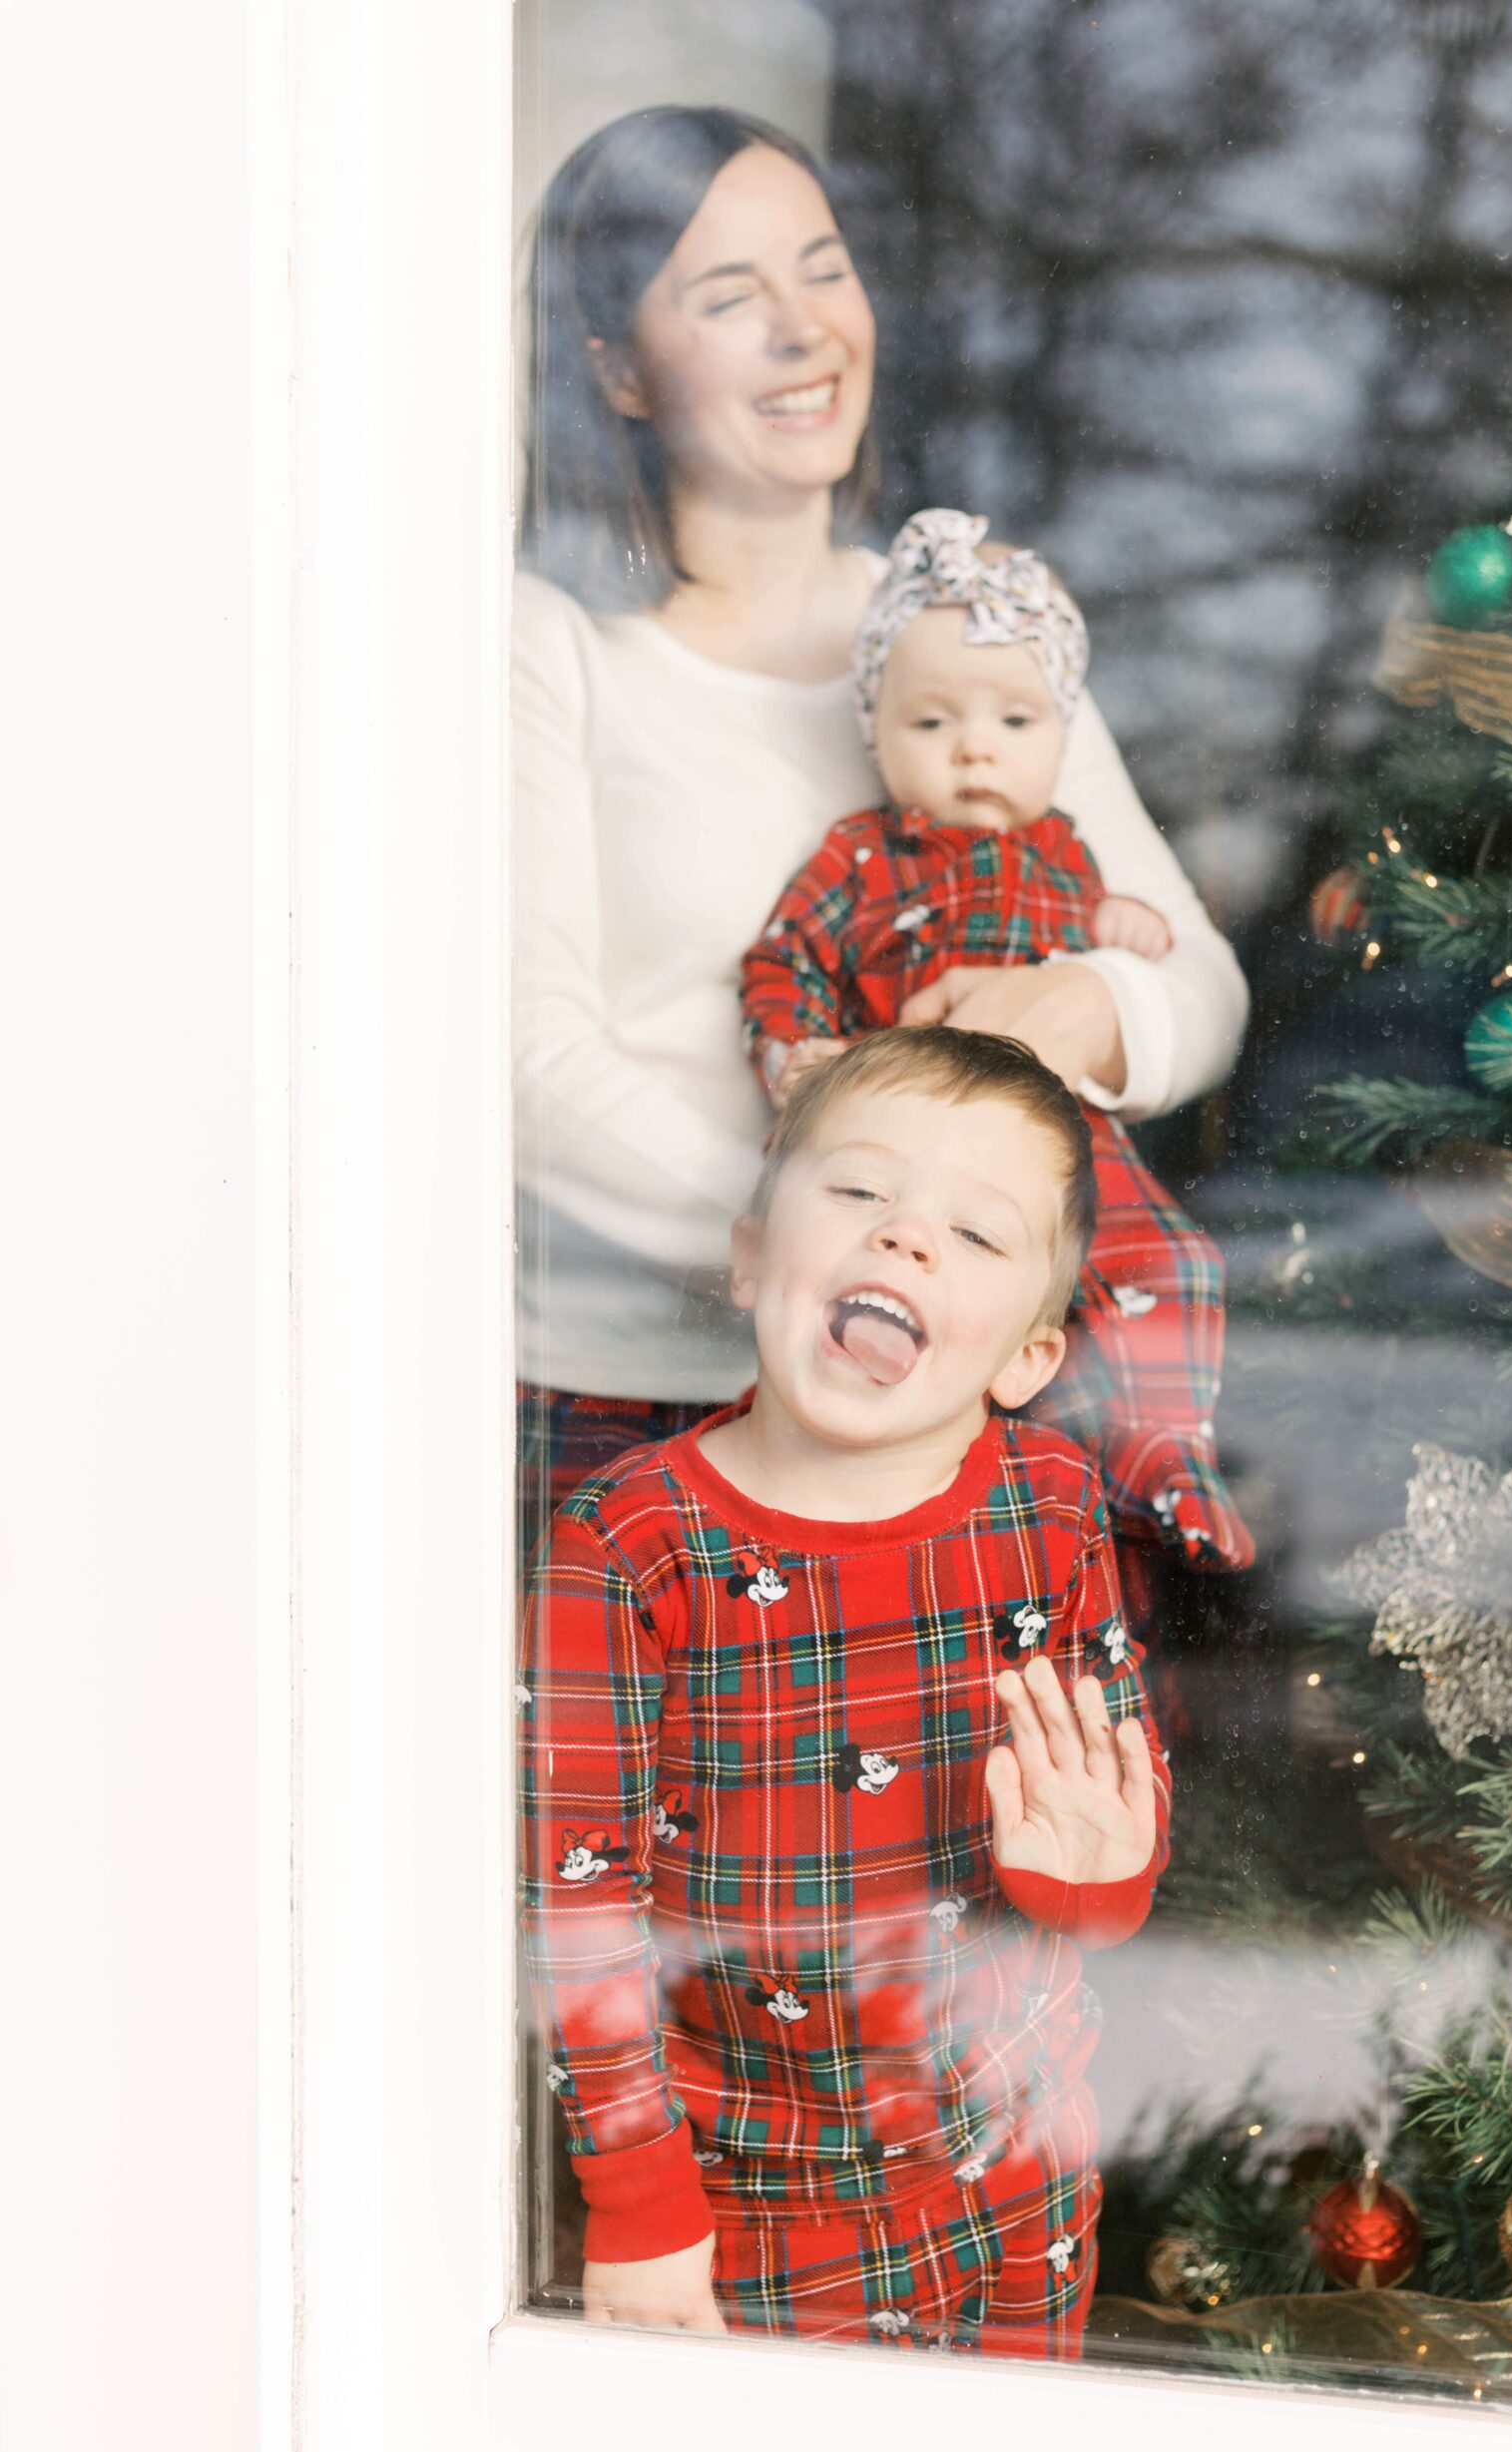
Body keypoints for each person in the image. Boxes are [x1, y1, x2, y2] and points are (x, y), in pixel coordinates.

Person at [512, 104, 1250, 1563]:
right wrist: (848, 1240)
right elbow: (523, 1062)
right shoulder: (553, 644)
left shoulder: (959, 628)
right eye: (726, 297)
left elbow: (1198, 992)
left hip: (957, 1415)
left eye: (823, 268)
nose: (803, 329)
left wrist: (1080, 1001)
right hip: (644, 1401)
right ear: (615, 369)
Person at [519, 1028, 1172, 2353]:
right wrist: (640, 2201)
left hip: (1016, 2173)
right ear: (752, 1254)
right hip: (754, 2206)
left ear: (1026, 1358)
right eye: (860, 1194)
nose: (905, 1240)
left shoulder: (1047, 1510)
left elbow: (1108, 1782)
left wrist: (1099, 1873)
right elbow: (576, 1907)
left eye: (975, 1236)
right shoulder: (631, 1542)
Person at [741, 507, 1255, 1577]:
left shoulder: (1066, 851)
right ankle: (998, 1496)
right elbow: (782, 960)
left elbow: (1137, 955)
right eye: (932, 724)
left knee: (1173, 1266)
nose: (976, 746)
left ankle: (1165, 1457)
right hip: (923, 1136)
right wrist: (797, 1054)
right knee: (951, 1314)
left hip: (1064, 1130)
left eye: (1015, 722)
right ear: (875, 732)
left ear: (1062, 739)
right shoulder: (863, 858)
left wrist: (1121, 936)